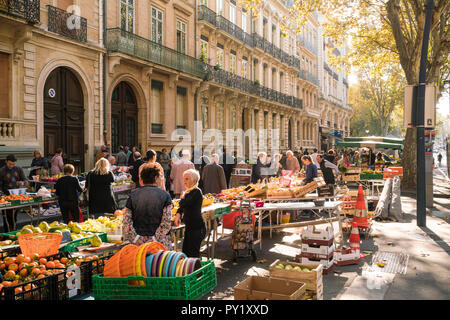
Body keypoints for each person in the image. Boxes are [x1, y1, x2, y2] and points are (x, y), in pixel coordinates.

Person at [122, 163, 173, 248]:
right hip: (159, 244)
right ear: (156, 178)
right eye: (160, 177)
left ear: (142, 179)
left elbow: (126, 220)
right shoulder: (165, 195)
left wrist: (135, 239)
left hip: (138, 243)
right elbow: (166, 222)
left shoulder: (133, 194)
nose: (161, 179)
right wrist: (154, 239)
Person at [174, 169, 206, 257]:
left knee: (193, 254)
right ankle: (189, 270)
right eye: (184, 179)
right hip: (190, 228)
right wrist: (178, 214)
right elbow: (181, 207)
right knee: (186, 253)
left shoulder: (196, 192)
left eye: (187, 179)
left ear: (194, 181)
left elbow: (184, 203)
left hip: (197, 228)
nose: (184, 181)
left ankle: (196, 270)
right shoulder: (188, 192)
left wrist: (182, 197)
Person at [0, 154, 27, 232]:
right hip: (6, 197)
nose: (11, 166)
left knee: (14, 216)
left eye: (13, 164)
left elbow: (25, 180)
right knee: (6, 217)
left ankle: (13, 231)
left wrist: (22, 183)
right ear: (6, 161)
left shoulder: (18, 169)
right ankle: (8, 233)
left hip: (16, 196)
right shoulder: (2, 171)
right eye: (10, 164)